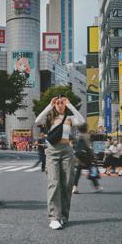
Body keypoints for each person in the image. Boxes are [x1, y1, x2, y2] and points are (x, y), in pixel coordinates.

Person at [35, 94, 85, 230]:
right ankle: (54, 217)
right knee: (54, 182)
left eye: (62, 102)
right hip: (52, 151)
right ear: (54, 104)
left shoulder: (69, 118)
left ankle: (63, 216)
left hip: (67, 151)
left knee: (67, 183)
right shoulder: (50, 117)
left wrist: (70, 105)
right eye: (57, 103)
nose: (60, 105)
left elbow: (81, 121)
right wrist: (49, 106)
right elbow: (37, 120)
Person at [73, 123, 103, 194]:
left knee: (78, 172)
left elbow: (75, 147)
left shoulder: (78, 137)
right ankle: (97, 186)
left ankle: (75, 187)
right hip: (88, 157)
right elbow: (90, 147)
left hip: (80, 157)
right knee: (92, 170)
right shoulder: (88, 136)